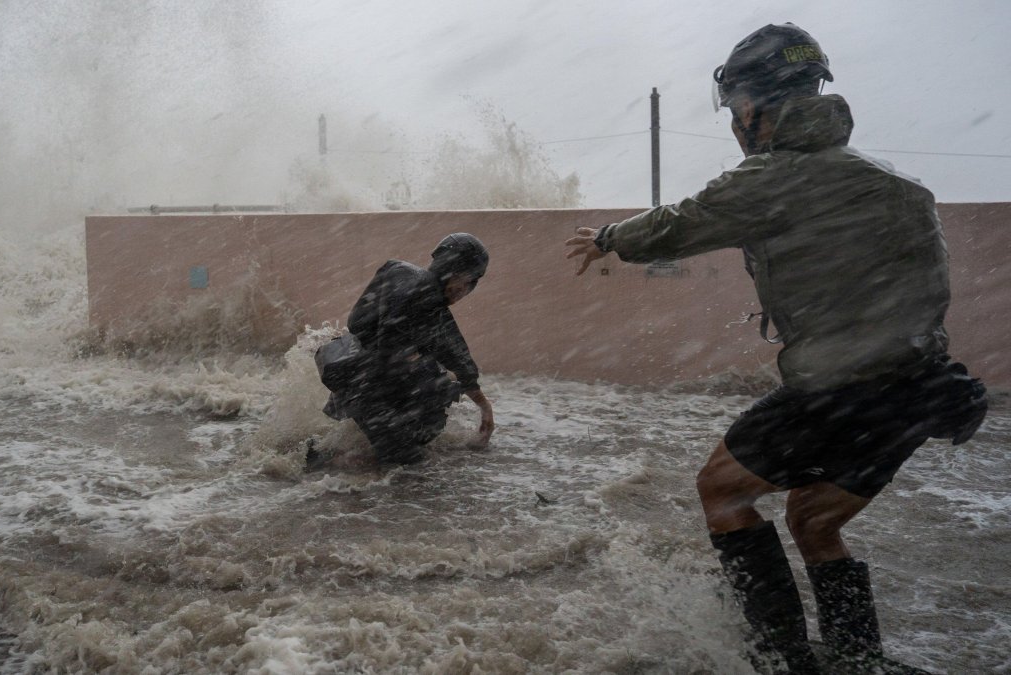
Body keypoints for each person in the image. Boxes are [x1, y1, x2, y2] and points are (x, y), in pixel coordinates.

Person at [565, 23, 987, 674]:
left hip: (841, 388)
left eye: (735, 108)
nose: (734, 124)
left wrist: (609, 237)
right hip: (922, 389)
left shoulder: (769, 179)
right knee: (815, 522)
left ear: (760, 106)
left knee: (722, 490)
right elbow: (928, 296)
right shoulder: (902, 189)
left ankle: (779, 656)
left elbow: (681, 223)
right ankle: (857, 657)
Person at [315, 233, 495, 466]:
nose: (466, 289)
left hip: (356, 376)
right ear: (450, 269)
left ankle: (328, 460)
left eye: (472, 283)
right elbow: (391, 338)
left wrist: (484, 406)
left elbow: (457, 357)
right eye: (467, 279)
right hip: (364, 382)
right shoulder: (420, 290)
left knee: (368, 452)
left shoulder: (418, 288)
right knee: (403, 463)